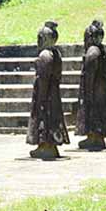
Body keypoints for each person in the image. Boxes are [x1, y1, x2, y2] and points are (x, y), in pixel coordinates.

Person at [26, 21, 69, 159]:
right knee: (53, 117)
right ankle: (50, 145)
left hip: (45, 94)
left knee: (44, 117)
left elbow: (43, 80)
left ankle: (45, 145)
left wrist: (40, 98)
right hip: (54, 93)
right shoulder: (56, 53)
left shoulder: (45, 55)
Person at [75, 20, 106, 150]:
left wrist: (87, 91)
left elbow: (89, 75)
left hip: (94, 89)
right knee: (99, 110)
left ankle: (94, 137)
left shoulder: (92, 52)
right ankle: (96, 137)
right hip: (101, 88)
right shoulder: (100, 50)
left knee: (93, 111)